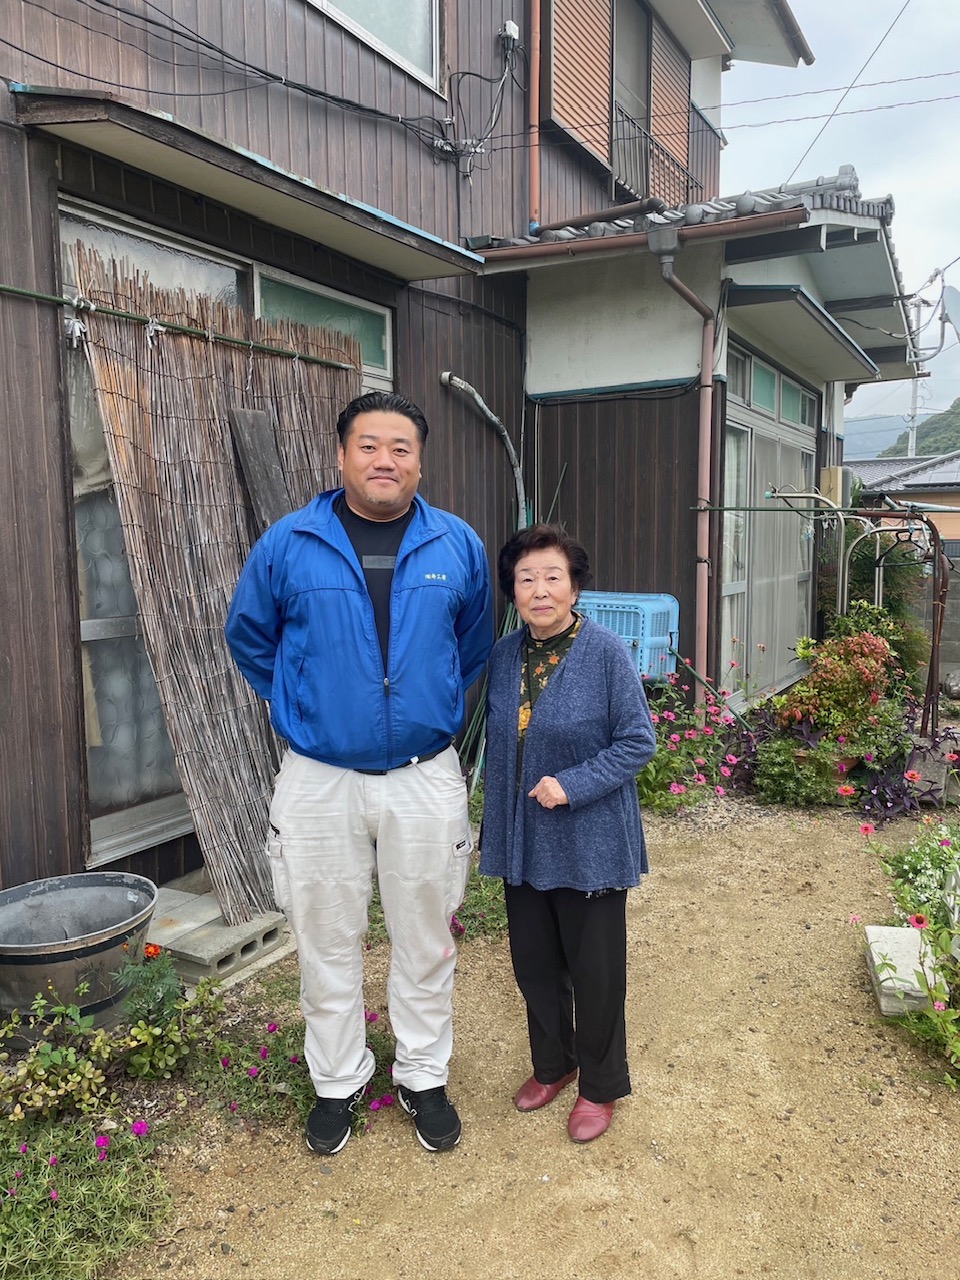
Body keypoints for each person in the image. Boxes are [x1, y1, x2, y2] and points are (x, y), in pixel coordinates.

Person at [225, 390, 493, 1156]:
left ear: (421, 460)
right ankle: (338, 1083)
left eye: (402, 447)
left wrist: (421, 703)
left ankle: (421, 1075)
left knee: (426, 937)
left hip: (423, 773)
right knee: (324, 938)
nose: (386, 460)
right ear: (341, 455)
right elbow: (250, 637)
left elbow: (469, 648)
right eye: (370, 445)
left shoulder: (456, 545)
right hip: (318, 777)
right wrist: (305, 701)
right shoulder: (289, 543)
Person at [479, 524, 656, 1143]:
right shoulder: (504, 657)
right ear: (513, 593)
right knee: (534, 964)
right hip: (524, 842)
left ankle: (601, 1085)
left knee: (595, 970)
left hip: (590, 840)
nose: (540, 589)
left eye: (553, 576)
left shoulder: (604, 652)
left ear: (574, 584)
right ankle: (553, 1064)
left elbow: (639, 741)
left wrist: (572, 784)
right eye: (526, 579)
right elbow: (499, 747)